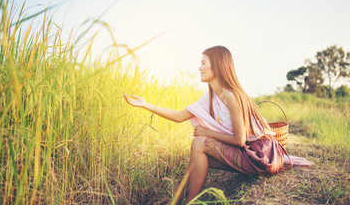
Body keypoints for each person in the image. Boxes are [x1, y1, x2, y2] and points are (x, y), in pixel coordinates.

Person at [123, 46, 294, 204]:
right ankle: (175, 202)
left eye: (203, 63)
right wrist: (145, 104)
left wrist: (207, 132)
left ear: (218, 66)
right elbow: (179, 116)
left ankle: (188, 202)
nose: (199, 68)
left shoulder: (232, 96)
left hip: (259, 156)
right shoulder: (211, 97)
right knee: (197, 156)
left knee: (199, 142)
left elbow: (240, 140)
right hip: (245, 153)